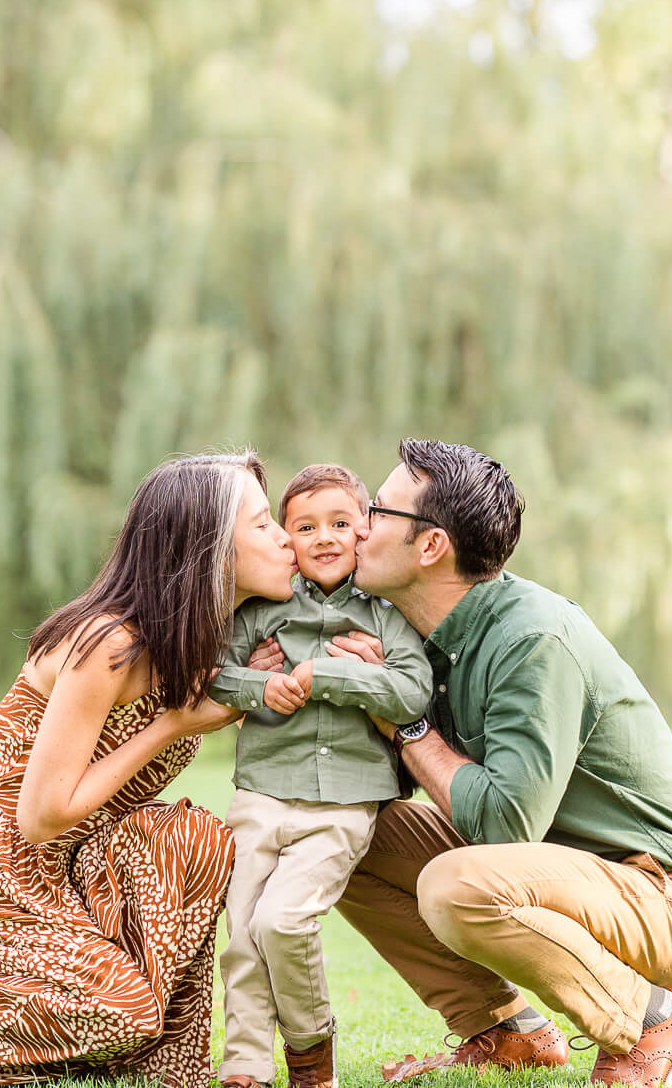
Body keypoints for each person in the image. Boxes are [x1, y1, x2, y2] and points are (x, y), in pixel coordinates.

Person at [0, 451, 297, 1086]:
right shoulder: (108, 642)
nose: (285, 539)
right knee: (120, 1010)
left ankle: (150, 1059)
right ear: (209, 547)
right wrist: (172, 725)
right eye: (264, 524)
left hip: (82, 851)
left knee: (201, 844)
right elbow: (42, 815)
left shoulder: (208, 640)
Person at [336, 439, 672, 1088]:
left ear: (430, 545)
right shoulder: (423, 636)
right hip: (559, 871)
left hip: (667, 895)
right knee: (340, 838)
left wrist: (407, 726)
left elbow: (502, 825)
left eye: (375, 512)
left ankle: (647, 1021)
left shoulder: (531, 639)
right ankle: (506, 1033)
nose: (356, 528)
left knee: (456, 885)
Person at [206, 465, 433, 1088]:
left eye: (340, 522)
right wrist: (260, 685)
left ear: (365, 528)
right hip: (262, 793)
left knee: (283, 920)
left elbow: (413, 693)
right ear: (286, 536)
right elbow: (213, 672)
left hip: (344, 804)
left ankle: (311, 1054)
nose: (324, 537)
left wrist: (334, 677)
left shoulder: (385, 615)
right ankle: (245, 1067)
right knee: (244, 935)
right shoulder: (266, 608)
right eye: (305, 526)